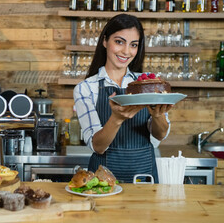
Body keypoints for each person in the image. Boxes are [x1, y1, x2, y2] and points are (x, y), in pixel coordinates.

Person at [73, 14, 172, 183]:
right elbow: (98, 145)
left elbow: (160, 135)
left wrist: (158, 115)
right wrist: (116, 119)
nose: (126, 51)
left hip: (144, 177)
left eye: (133, 45)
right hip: (102, 181)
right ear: (105, 41)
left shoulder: (146, 84)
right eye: (119, 42)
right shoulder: (85, 88)